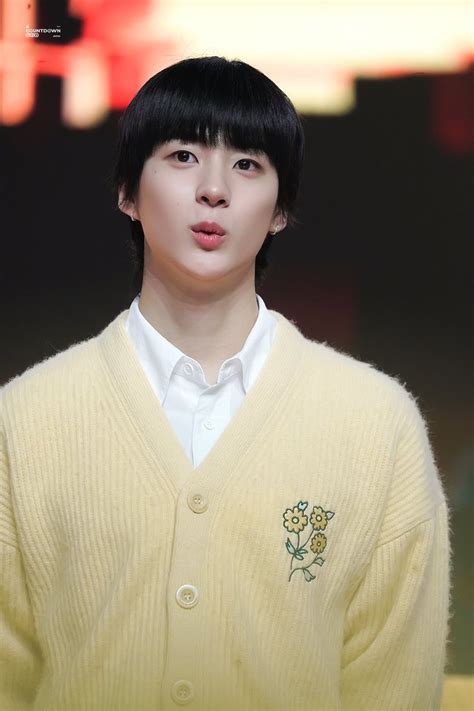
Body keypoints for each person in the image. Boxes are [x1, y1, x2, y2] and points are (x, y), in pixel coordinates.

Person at [0, 56, 452, 711]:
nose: (214, 189)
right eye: (183, 156)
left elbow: (394, 686)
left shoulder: (377, 425)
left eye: (247, 164)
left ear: (280, 210)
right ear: (127, 193)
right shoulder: (24, 420)